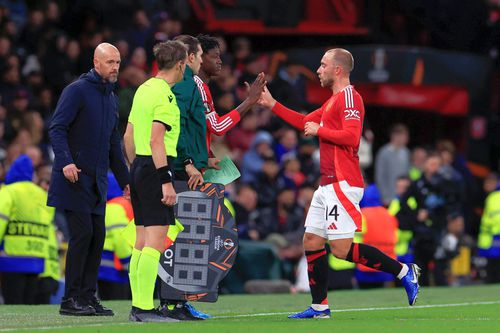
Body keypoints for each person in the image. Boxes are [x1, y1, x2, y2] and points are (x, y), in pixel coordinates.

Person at [258, 48, 420, 319]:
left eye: (322, 65)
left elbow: (352, 137)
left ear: (338, 70)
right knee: (311, 241)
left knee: (341, 250)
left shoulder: (350, 98)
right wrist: (273, 105)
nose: (318, 70)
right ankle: (320, 307)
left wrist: (319, 130)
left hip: (344, 182)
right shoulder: (333, 101)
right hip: (327, 184)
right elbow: (305, 122)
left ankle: (404, 271)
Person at [48, 43, 130, 316]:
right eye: (110, 62)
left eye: (118, 62)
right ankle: (70, 300)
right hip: (74, 177)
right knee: (83, 235)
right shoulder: (77, 90)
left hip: (97, 182)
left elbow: (113, 143)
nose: (115, 67)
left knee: (97, 237)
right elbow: (57, 128)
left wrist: (125, 180)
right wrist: (66, 161)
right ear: (96, 62)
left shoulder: (111, 98)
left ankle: (87, 297)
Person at [123, 40, 187, 323]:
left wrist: (133, 172)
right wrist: (165, 180)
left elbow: (128, 136)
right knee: (156, 241)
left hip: (138, 166)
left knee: (140, 241)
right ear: (180, 64)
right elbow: (156, 139)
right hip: (156, 167)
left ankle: (138, 305)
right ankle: (144, 309)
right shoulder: (165, 96)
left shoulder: (144, 89)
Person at [195, 34, 265, 169]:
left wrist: (207, 156)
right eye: (215, 56)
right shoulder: (198, 86)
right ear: (200, 58)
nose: (220, 61)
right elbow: (217, 128)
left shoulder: (194, 84)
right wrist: (249, 101)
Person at [0, 155, 56, 304]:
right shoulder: (43, 195)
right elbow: (49, 234)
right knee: (28, 305)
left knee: (13, 305)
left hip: (12, 258)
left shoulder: (8, 191)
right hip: (37, 260)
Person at [375, 124, 410, 205]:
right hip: (388, 197)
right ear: (395, 136)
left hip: (403, 197)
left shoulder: (406, 152)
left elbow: (407, 174)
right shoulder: (384, 152)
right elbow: (380, 176)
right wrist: (385, 196)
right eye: (404, 136)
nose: (406, 139)